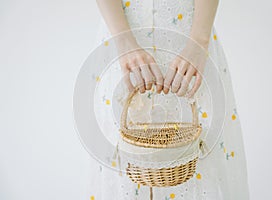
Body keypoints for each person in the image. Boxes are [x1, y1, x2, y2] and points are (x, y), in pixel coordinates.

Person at [87, 0, 250, 199]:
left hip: (191, 41)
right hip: (121, 37)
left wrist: (199, 40)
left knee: (203, 164)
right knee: (123, 170)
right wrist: (123, 39)